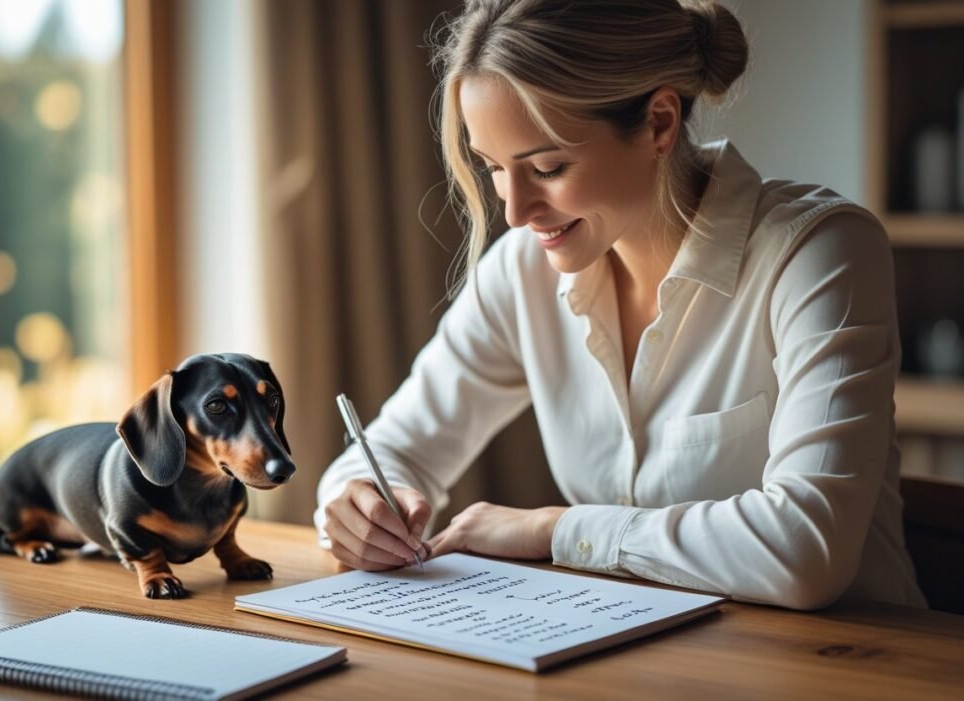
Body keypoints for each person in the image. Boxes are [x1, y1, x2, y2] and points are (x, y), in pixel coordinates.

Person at [313, 0, 926, 610]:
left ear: (660, 123)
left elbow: (805, 551)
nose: (514, 212)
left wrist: (554, 531)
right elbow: (395, 446)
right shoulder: (522, 273)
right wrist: (360, 501)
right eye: (494, 167)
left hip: (850, 663)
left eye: (547, 167)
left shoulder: (818, 254)